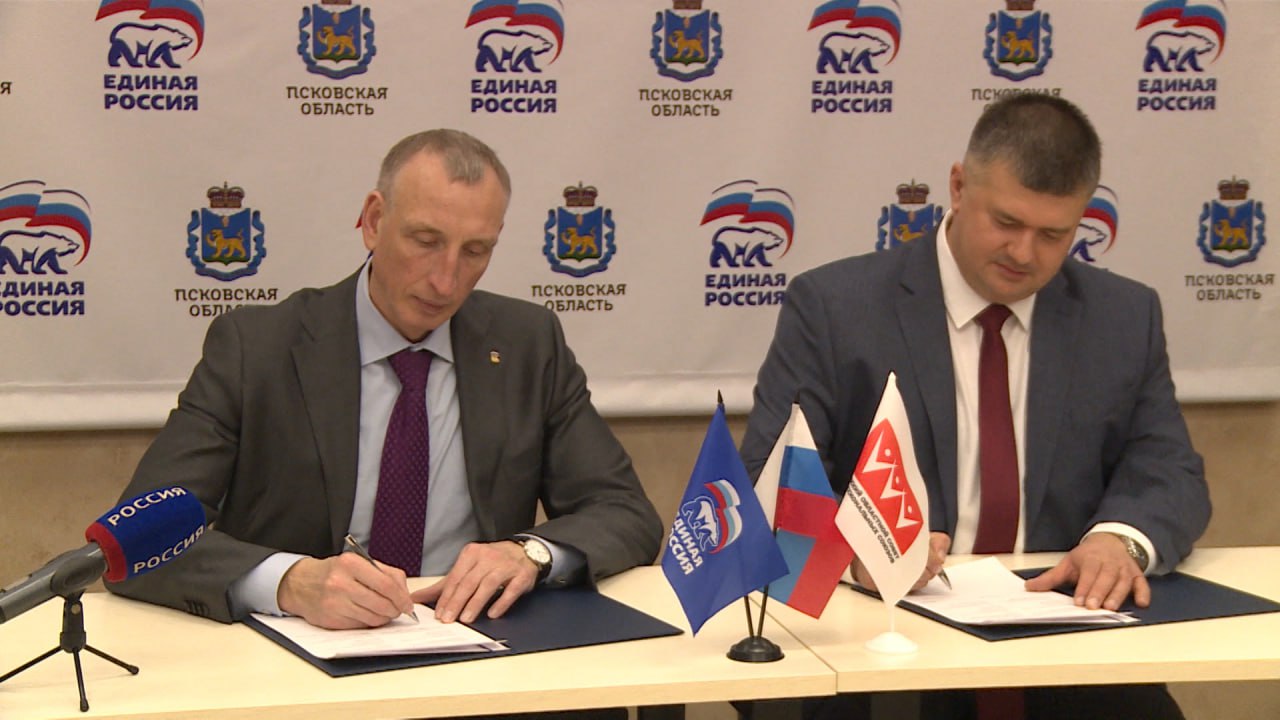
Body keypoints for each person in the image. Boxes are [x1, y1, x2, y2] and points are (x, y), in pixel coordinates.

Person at [740, 95, 1210, 719]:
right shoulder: (835, 308)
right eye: (1006, 222)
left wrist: (1118, 541)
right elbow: (770, 480)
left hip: (1068, 652)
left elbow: (1170, 470)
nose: (1024, 252)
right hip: (886, 653)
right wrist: (855, 555)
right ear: (959, 188)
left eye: (1053, 235)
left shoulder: (1123, 316)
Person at [107, 129, 663, 631]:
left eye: (475, 251)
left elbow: (627, 513)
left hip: (472, 648)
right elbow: (137, 539)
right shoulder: (257, 348)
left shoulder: (527, 343)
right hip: (299, 656)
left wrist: (530, 554)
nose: (446, 280)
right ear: (373, 221)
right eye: (426, 241)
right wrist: (288, 582)